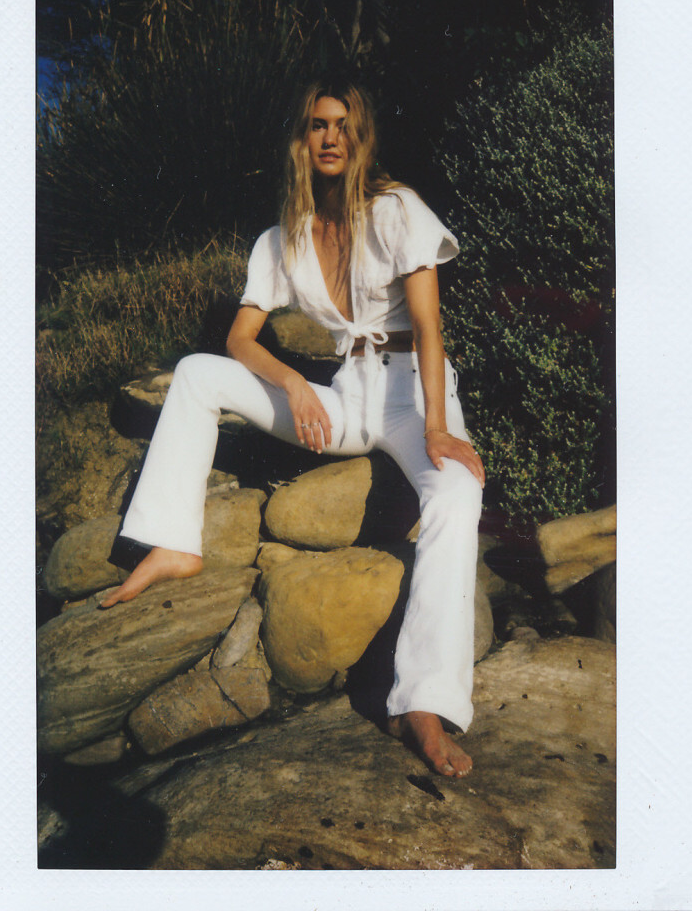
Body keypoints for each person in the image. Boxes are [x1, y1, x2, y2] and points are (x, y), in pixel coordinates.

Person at [101, 80, 485, 778]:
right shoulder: (283, 239)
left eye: (342, 124)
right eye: (316, 125)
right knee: (197, 372)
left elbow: (430, 326)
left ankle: (424, 704)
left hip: (410, 394)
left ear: (360, 136)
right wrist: (293, 385)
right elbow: (239, 339)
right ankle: (173, 543)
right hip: (344, 395)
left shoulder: (398, 210)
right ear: (301, 140)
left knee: (457, 493)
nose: (330, 136)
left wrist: (438, 427)